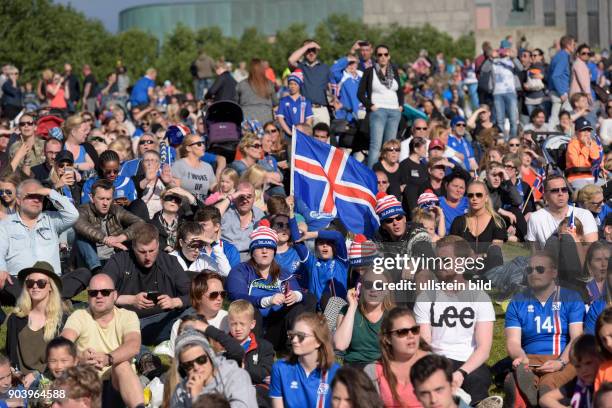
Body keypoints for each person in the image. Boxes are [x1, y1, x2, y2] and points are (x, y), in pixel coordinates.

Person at [414, 236, 495, 405]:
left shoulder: (480, 297)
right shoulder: (425, 297)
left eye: (444, 260)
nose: (439, 265)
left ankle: (473, 402)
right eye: (437, 260)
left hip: (469, 362)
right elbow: (424, 342)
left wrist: (461, 373)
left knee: (478, 380)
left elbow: (484, 348)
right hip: (437, 359)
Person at [504, 251, 584, 407]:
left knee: (550, 381)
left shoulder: (571, 297)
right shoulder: (517, 301)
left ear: (554, 272)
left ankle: (536, 393)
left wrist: (560, 362)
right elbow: (512, 341)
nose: (533, 273)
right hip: (531, 358)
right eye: (529, 270)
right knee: (520, 374)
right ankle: (530, 391)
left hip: (562, 357)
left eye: (540, 269)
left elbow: (577, 338)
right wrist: (521, 357)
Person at [227, 221, 314, 350]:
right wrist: (267, 301)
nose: (264, 251)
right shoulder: (240, 270)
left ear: (274, 251)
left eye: (268, 248)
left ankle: (297, 349)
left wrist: (295, 295)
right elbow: (236, 296)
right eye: (259, 247)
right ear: (252, 252)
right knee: (251, 309)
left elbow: (300, 292)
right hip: (253, 326)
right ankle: (253, 351)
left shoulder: (283, 272)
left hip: (276, 328)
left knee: (306, 300)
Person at [61, 273, 144, 408]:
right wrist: (79, 358)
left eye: (105, 292)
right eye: (93, 293)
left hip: (117, 385)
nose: (99, 296)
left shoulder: (128, 316)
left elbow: (133, 345)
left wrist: (108, 358)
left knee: (121, 365)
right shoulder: (79, 316)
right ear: (88, 296)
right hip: (87, 385)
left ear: (115, 295)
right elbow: (62, 345)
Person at [0, 179, 88, 306]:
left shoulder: (51, 220)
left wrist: (49, 192)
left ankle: (36, 300)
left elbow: (73, 215)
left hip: (50, 282)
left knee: (84, 273)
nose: (37, 200)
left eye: (40, 197)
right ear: (18, 200)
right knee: (6, 281)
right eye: (31, 196)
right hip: (21, 283)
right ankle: (52, 301)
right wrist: (1, 269)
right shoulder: (5, 224)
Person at [102, 223, 191, 345]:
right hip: (128, 322)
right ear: (133, 247)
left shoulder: (169, 262)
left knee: (194, 312)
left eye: (152, 250)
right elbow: (100, 293)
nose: (148, 257)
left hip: (163, 320)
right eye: (142, 251)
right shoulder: (119, 261)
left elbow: (193, 295)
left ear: (158, 245)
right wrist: (131, 300)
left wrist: (174, 302)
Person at [5, 261, 68, 388]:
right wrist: (15, 375)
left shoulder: (62, 320)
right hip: (19, 382)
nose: (35, 287)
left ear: (51, 287)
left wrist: (38, 375)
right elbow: (10, 355)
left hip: (50, 380)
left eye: (41, 283)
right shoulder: (16, 318)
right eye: (30, 283)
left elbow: (65, 362)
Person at [170, 329, 258, 407]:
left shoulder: (236, 377)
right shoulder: (181, 391)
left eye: (201, 360)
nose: (196, 367)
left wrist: (197, 398)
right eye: (188, 365)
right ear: (182, 370)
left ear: (211, 357)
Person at [269, 312, 341, 407]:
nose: (294, 340)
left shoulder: (336, 372)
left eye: (301, 336)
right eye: (292, 335)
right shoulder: (280, 368)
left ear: (318, 341)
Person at [363, 307, 429, 408]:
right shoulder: (374, 371)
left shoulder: (433, 364)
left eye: (414, 330)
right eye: (402, 332)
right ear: (388, 339)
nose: (411, 335)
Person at [74, 179, 145, 273]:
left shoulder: (116, 210)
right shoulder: (83, 210)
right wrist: (104, 239)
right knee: (81, 235)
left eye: (108, 199)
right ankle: (97, 271)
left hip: (113, 258)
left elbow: (141, 223)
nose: (105, 203)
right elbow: (79, 224)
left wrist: (120, 238)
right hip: (90, 262)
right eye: (101, 199)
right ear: (92, 198)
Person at [334, 273, 393, 369]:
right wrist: (352, 307)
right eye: (368, 285)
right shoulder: (347, 310)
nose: (373, 290)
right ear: (360, 288)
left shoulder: (393, 315)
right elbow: (340, 345)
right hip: (354, 369)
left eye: (379, 285)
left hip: (383, 367)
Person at [357, 44, 403, 168]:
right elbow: (360, 93)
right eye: (380, 55)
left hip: (394, 112)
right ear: (376, 57)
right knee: (376, 146)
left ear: (389, 56)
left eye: (385, 54)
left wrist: (401, 106)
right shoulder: (369, 71)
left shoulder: (394, 71)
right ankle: (372, 176)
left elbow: (399, 90)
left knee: (390, 147)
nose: (383, 57)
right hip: (378, 111)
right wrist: (370, 105)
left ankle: (387, 174)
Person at [526, 175, 598, 246]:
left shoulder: (584, 215)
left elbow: (592, 250)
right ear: (545, 196)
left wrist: (574, 240)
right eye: (554, 190)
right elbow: (534, 253)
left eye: (564, 189)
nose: (560, 193)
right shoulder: (535, 218)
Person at [228, 300, 275, 407]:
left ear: (252, 324)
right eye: (233, 324)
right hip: (232, 388)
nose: (238, 328)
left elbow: (266, 372)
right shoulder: (223, 346)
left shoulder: (264, 346)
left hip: (258, 388)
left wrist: (243, 368)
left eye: (242, 324)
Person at [539, 334, 600, 408]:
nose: (583, 370)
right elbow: (544, 399)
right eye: (578, 366)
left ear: (600, 360)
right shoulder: (579, 382)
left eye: (588, 363)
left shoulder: (605, 382)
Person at [450, 180, 507, 255]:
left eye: (479, 195)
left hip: (489, 264)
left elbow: (495, 251)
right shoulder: (458, 221)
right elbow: (452, 249)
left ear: (486, 198)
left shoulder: (497, 222)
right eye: (470, 195)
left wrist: (477, 257)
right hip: (463, 264)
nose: (474, 198)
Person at [218, 181, 265, 261]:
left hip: (249, 258)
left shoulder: (260, 215)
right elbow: (211, 216)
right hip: (225, 255)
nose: (245, 200)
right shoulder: (226, 210)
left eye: (249, 197)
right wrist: (230, 197)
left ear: (254, 198)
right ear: (235, 197)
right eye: (241, 197)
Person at [288, 40, 331, 126]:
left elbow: (331, 87)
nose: (311, 53)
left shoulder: (325, 67)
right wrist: (307, 46)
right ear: (304, 52)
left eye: (313, 50)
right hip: (305, 109)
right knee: (306, 138)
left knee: (323, 138)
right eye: (308, 50)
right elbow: (291, 60)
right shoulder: (300, 66)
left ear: (317, 51)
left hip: (321, 109)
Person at [172, 133, 217, 201]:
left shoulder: (208, 167)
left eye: (203, 143)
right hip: (184, 205)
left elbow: (213, 187)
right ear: (188, 148)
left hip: (202, 205)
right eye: (199, 144)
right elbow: (175, 189)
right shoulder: (179, 165)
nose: (203, 146)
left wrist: (225, 184)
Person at [236, 59, 278, 124]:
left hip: (247, 120)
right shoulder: (269, 84)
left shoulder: (241, 84)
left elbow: (236, 102)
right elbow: (275, 102)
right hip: (266, 119)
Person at [565, 117, 601, 191]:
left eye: (588, 131)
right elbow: (578, 165)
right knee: (589, 192)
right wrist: (585, 147)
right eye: (583, 130)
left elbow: (597, 160)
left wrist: (589, 147)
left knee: (607, 188)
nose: (586, 133)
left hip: (592, 177)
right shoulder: (572, 144)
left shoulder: (593, 143)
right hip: (576, 177)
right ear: (576, 132)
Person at [492, 48, 520, 138]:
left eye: (505, 50)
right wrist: (490, 57)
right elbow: (484, 69)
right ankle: (501, 143)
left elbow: (521, 68)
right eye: (501, 51)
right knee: (499, 120)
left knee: (513, 119)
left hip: (510, 92)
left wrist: (514, 58)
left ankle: (513, 141)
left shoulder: (511, 61)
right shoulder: (494, 61)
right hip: (497, 93)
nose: (503, 53)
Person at [548, 35, 576, 127]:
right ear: (568, 45)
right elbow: (555, 76)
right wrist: (562, 93)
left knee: (559, 117)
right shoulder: (563, 57)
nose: (574, 46)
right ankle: (552, 137)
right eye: (573, 44)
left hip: (559, 92)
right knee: (557, 118)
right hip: (560, 93)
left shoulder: (560, 56)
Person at [276, 71, 314, 137]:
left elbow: (309, 119)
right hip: (288, 135)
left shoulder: (306, 101)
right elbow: (280, 118)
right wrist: (290, 133)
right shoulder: (283, 101)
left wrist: (304, 132)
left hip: (302, 135)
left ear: (299, 85)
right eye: (290, 84)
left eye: (295, 84)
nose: (292, 86)